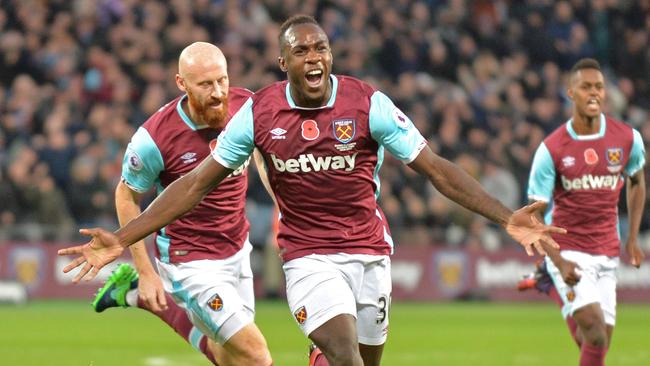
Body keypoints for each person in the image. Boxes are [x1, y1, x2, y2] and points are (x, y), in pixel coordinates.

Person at [59, 16, 564, 366]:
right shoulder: (256, 114)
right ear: (284, 62)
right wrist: (126, 237)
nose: (313, 57)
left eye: (320, 47)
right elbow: (193, 185)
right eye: (300, 50)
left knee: (345, 360)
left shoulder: (369, 104)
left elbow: (436, 169)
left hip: (368, 251)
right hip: (305, 256)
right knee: (326, 355)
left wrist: (505, 217)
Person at [89, 42, 273, 366]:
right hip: (189, 261)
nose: (217, 92)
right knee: (256, 355)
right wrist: (146, 271)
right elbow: (126, 195)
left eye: (222, 80)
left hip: (236, 247)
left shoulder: (246, 106)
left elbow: (263, 153)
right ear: (181, 83)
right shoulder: (154, 138)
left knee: (230, 358)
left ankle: (136, 296)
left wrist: (282, 202)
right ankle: (139, 286)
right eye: (205, 84)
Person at [524, 58, 645, 366]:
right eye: (585, 86)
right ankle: (551, 274)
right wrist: (559, 260)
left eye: (599, 87)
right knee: (595, 334)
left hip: (607, 249)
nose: (593, 93)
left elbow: (636, 182)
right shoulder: (551, 149)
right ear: (571, 93)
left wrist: (631, 238)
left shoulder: (627, 139)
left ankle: (547, 285)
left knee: (594, 341)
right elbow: (533, 215)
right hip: (569, 248)